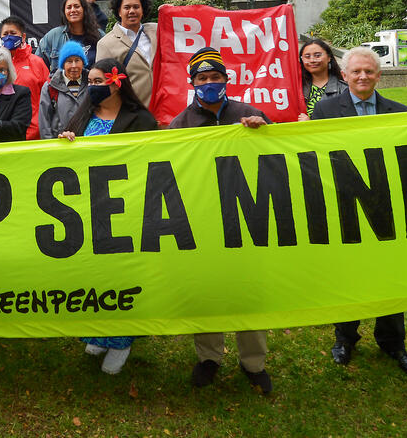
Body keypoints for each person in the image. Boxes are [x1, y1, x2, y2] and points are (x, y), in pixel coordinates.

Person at [311, 47, 407, 379]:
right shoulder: (326, 110)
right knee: (349, 275)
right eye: (356, 72)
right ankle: (345, 339)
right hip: (344, 206)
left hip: (388, 208)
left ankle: (393, 343)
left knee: (391, 276)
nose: (362, 77)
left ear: (379, 75)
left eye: (369, 72)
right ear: (343, 76)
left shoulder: (399, 112)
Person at [167, 47, 274, 394]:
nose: (210, 83)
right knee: (208, 288)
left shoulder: (250, 114)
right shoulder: (180, 124)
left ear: (226, 80)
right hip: (203, 219)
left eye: (215, 78)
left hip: (247, 217)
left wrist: (263, 131)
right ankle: (209, 357)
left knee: (249, 289)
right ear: (192, 83)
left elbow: (277, 157)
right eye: (202, 78)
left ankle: (253, 362)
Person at [59, 57, 157, 374]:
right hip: (87, 206)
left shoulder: (140, 118)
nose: (93, 86)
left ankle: (122, 339)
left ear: (117, 82)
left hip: (124, 208)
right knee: (93, 273)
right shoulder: (84, 115)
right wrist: (66, 143)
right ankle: (98, 332)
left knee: (121, 275)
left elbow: (148, 161)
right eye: (91, 81)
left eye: (99, 81)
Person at [96, 0, 157, 107]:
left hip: (162, 113)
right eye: (127, 7)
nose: (132, 11)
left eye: (136, 7)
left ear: (143, 9)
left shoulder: (156, 31)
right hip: (132, 115)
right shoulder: (106, 44)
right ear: (119, 11)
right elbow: (103, 85)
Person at [0, 16, 50, 140]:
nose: (9, 37)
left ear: (23, 37)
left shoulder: (37, 63)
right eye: (5, 34)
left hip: (34, 134)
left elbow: (49, 98)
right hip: (3, 133)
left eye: (13, 33)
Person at [37, 40, 89, 139]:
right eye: (69, 61)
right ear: (63, 65)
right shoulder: (50, 86)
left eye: (77, 60)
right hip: (60, 143)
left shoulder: (91, 82)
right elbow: (44, 121)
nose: (74, 66)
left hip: (87, 143)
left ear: (83, 62)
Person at [37, 0, 102, 70]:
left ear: (84, 9)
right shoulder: (53, 36)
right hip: (60, 82)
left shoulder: (99, 35)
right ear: (64, 12)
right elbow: (37, 66)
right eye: (69, 7)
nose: (73, 10)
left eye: (76, 6)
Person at [297, 38, 347, 119]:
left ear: (329, 57)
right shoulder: (297, 87)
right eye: (307, 56)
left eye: (317, 55)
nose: (312, 60)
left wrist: (311, 124)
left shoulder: (344, 89)